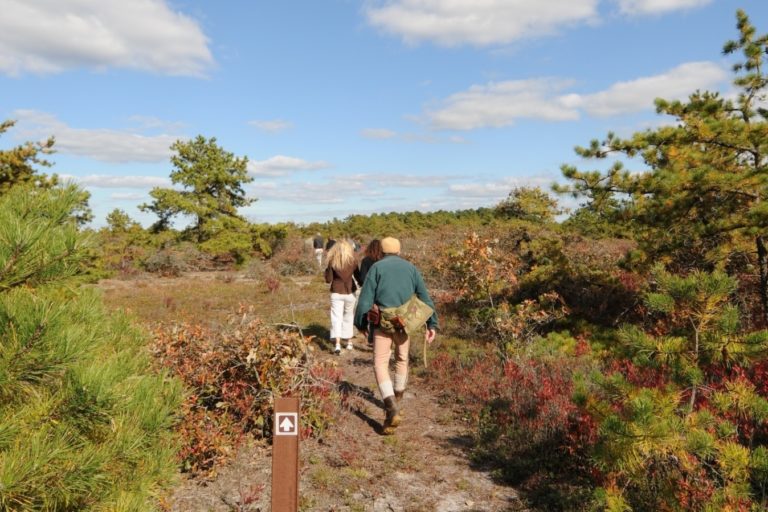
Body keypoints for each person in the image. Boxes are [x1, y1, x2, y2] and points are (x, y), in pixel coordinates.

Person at [353, 237, 438, 434]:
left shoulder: (377, 268)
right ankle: (397, 400)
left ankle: (391, 408)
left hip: (382, 323)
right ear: (399, 251)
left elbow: (365, 299)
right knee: (402, 359)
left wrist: (360, 323)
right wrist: (431, 324)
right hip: (404, 323)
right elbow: (425, 298)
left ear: (382, 252)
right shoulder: (411, 268)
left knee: (380, 363)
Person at [325, 240, 361, 355]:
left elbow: (328, 279)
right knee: (349, 316)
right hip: (350, 292)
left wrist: (327, 270)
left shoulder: (332, 261)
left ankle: (337, 344)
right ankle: (349, 342)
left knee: (336, 318)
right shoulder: (353, 261)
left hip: (336, 292)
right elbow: (358, 277)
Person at [358, 239, 384, 347]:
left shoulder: (366, 260)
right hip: (383, 290)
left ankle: (372, 338)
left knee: (372, 314)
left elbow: (362, 278)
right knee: (383, 313)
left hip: (370, 291)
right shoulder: (384, 260)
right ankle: (383, 338)